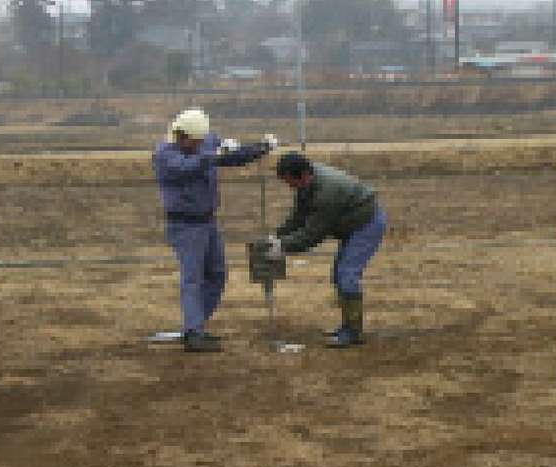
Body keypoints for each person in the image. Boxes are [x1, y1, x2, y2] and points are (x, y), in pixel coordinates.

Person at [153, 107, 277, 352]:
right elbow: (188, 167)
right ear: (180, 134)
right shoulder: (165, 154)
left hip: (208, 221)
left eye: (202, 141)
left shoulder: (205, 141)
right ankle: (193, 332)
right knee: (193, 278)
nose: (198, 144)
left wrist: (259, 148)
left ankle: (197, 325)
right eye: (194, 141)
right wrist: (215, 154)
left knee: (217, 274)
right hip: (184, 225)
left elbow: (230, 157)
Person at [261, 152, 387, 347]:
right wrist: (278, 236)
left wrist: (283, 246)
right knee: (339, 274)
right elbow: (298, 216)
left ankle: (353, 331)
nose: (288, 187)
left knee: (347, 274)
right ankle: (348, 326)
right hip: (351, 224)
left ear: (302, 175)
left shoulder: (327, 193)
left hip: (366, 224)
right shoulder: (307, 183)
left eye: (289, 182)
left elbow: (313, 235)